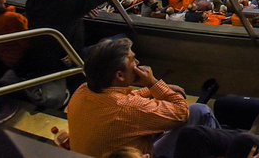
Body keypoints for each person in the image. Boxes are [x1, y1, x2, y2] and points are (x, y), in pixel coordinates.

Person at [66, 38, 225, 158]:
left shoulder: (82, 90)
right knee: (200, 111)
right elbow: (182, 112)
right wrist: (152, 82)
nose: (138, 63)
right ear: (120, 75)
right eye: (133, 60)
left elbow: (124, 98)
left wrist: (152, 90)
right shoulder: (128, 108)